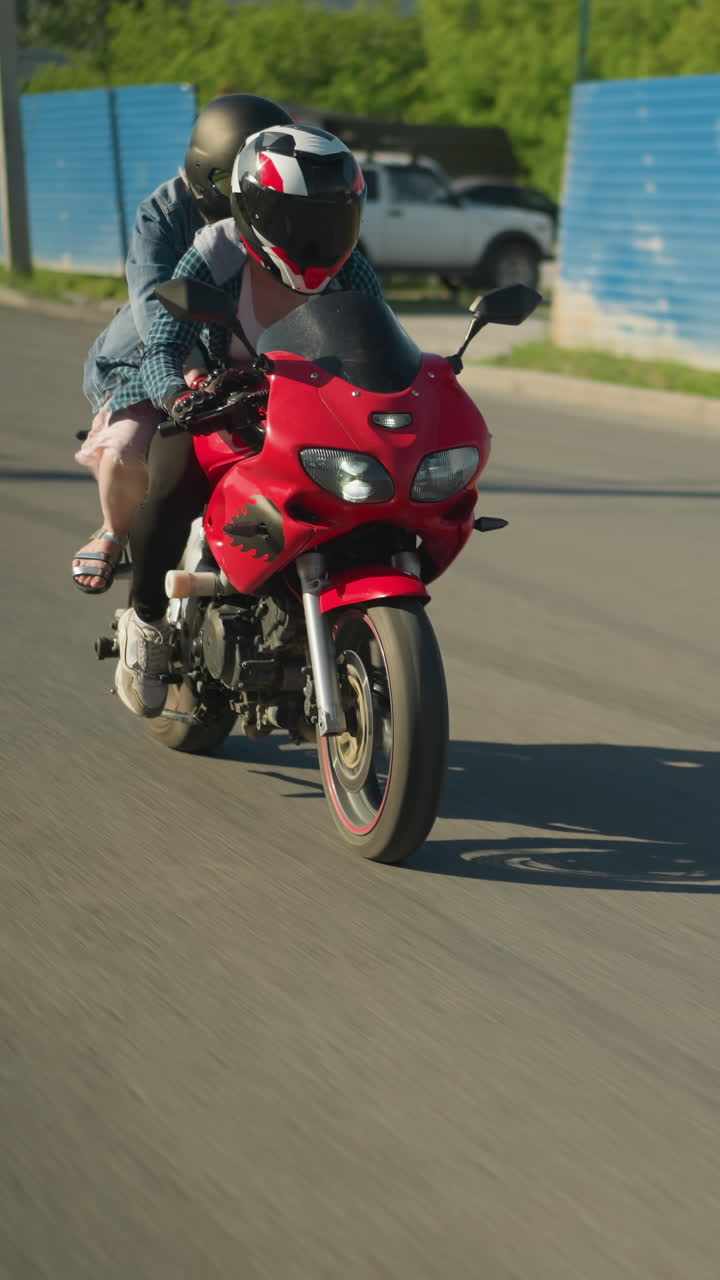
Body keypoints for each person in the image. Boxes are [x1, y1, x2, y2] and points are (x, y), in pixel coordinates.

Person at [111, 123, 382, 717]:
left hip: (312, 413)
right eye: (299, 222)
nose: (319, 240)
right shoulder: (215, 252)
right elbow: (161, 345)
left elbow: (380, 342)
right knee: (169, 480)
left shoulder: (352, 269)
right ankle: (148, 621)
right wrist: (179, 397)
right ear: (254, 212)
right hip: (220, 407)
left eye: (333, 221)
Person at [72, 93, 293, 593]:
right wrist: (186, 369)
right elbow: (154, 301)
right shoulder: (164, 212)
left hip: (249, 351)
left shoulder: (285, 206)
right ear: (205, 173)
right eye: (232, 180)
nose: (245, 190)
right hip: (156, 348)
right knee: (127, 450)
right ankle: (114, 529)